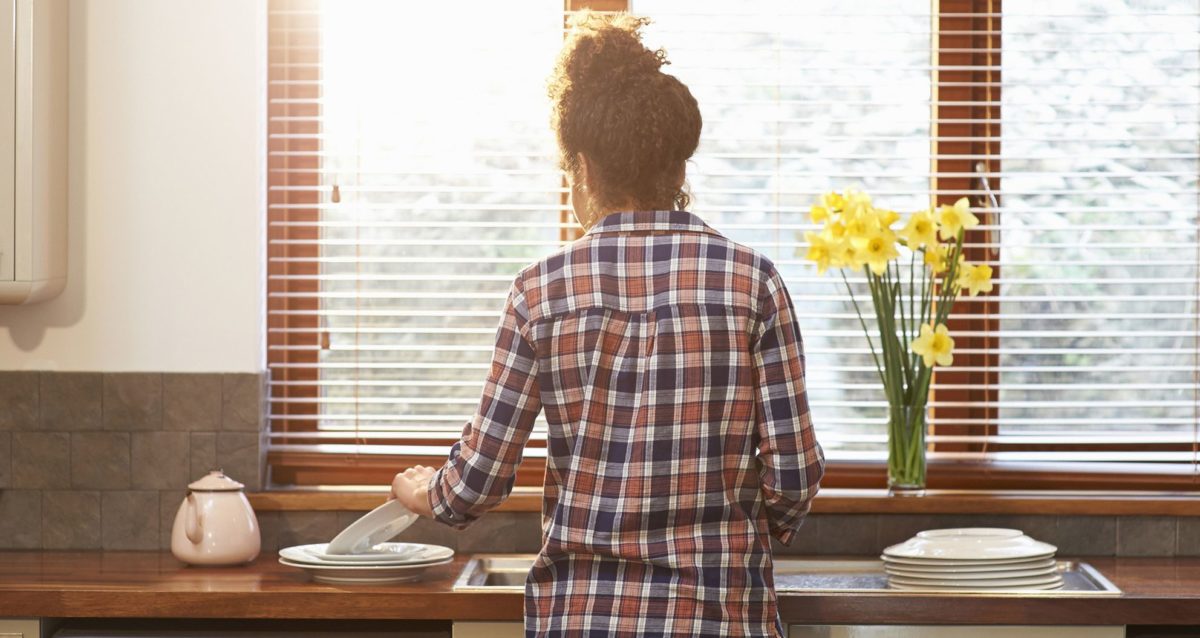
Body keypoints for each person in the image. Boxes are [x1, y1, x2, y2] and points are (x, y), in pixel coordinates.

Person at [392, 11, 824, 637]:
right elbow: (794, 473)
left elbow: (475, 484)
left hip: (582, 619)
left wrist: (425, 491)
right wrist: (751, 529)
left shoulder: (540, 292)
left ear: (584, 170)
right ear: (679, 171)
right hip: (719, 617)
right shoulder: (752, 284)